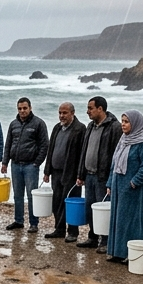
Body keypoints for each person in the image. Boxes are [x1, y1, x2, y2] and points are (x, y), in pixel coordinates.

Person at [105, 110, 143, 263]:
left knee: (132, 221)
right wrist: (110, 183)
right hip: (118, 186)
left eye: (127, 122)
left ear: (135, 123)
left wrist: (133, 182)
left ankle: (131, 253)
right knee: (118, 219)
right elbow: (114, 163)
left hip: (133, 190)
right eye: (122, 121)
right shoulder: (124, 139)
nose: (123, 124)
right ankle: (117, 252)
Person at [76, 97, 121, 250]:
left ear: (100, 109)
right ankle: (93, 237)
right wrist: (80, 174)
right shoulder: (90, 126)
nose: (87, 111)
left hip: (103, 177)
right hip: (89, 175)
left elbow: (116, 155)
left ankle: (106, 241)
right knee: (90, 208)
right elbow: (84, 151)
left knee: (103, 210)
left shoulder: (114, 127)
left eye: (90, 108)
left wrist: (111, 179)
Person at [1, 97, 49, 232]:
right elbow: (8, 144)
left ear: (30, 108)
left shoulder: (39, 123)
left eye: (24, 108)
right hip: (15, 165)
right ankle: (18, 221)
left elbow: (45, 145)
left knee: (31, 195)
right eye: (20, 108)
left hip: (30, 166)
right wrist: (5, 162)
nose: (22, 111)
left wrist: (37, 163)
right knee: (17, 195)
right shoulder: (13, 124)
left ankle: (34, 223)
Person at [43, 102, 86, 241]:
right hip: (56, 171)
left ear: (72, 113)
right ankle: (59, 229)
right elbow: (50, 150)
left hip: (71, 173)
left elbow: (82, 154)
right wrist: (47, 171)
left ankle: (73, 232)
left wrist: (81, 174)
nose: (62, 116)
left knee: (70, 202)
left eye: (65, 113)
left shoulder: (80, 129)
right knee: (57, 201)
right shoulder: (57, 127)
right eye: (60, 113)